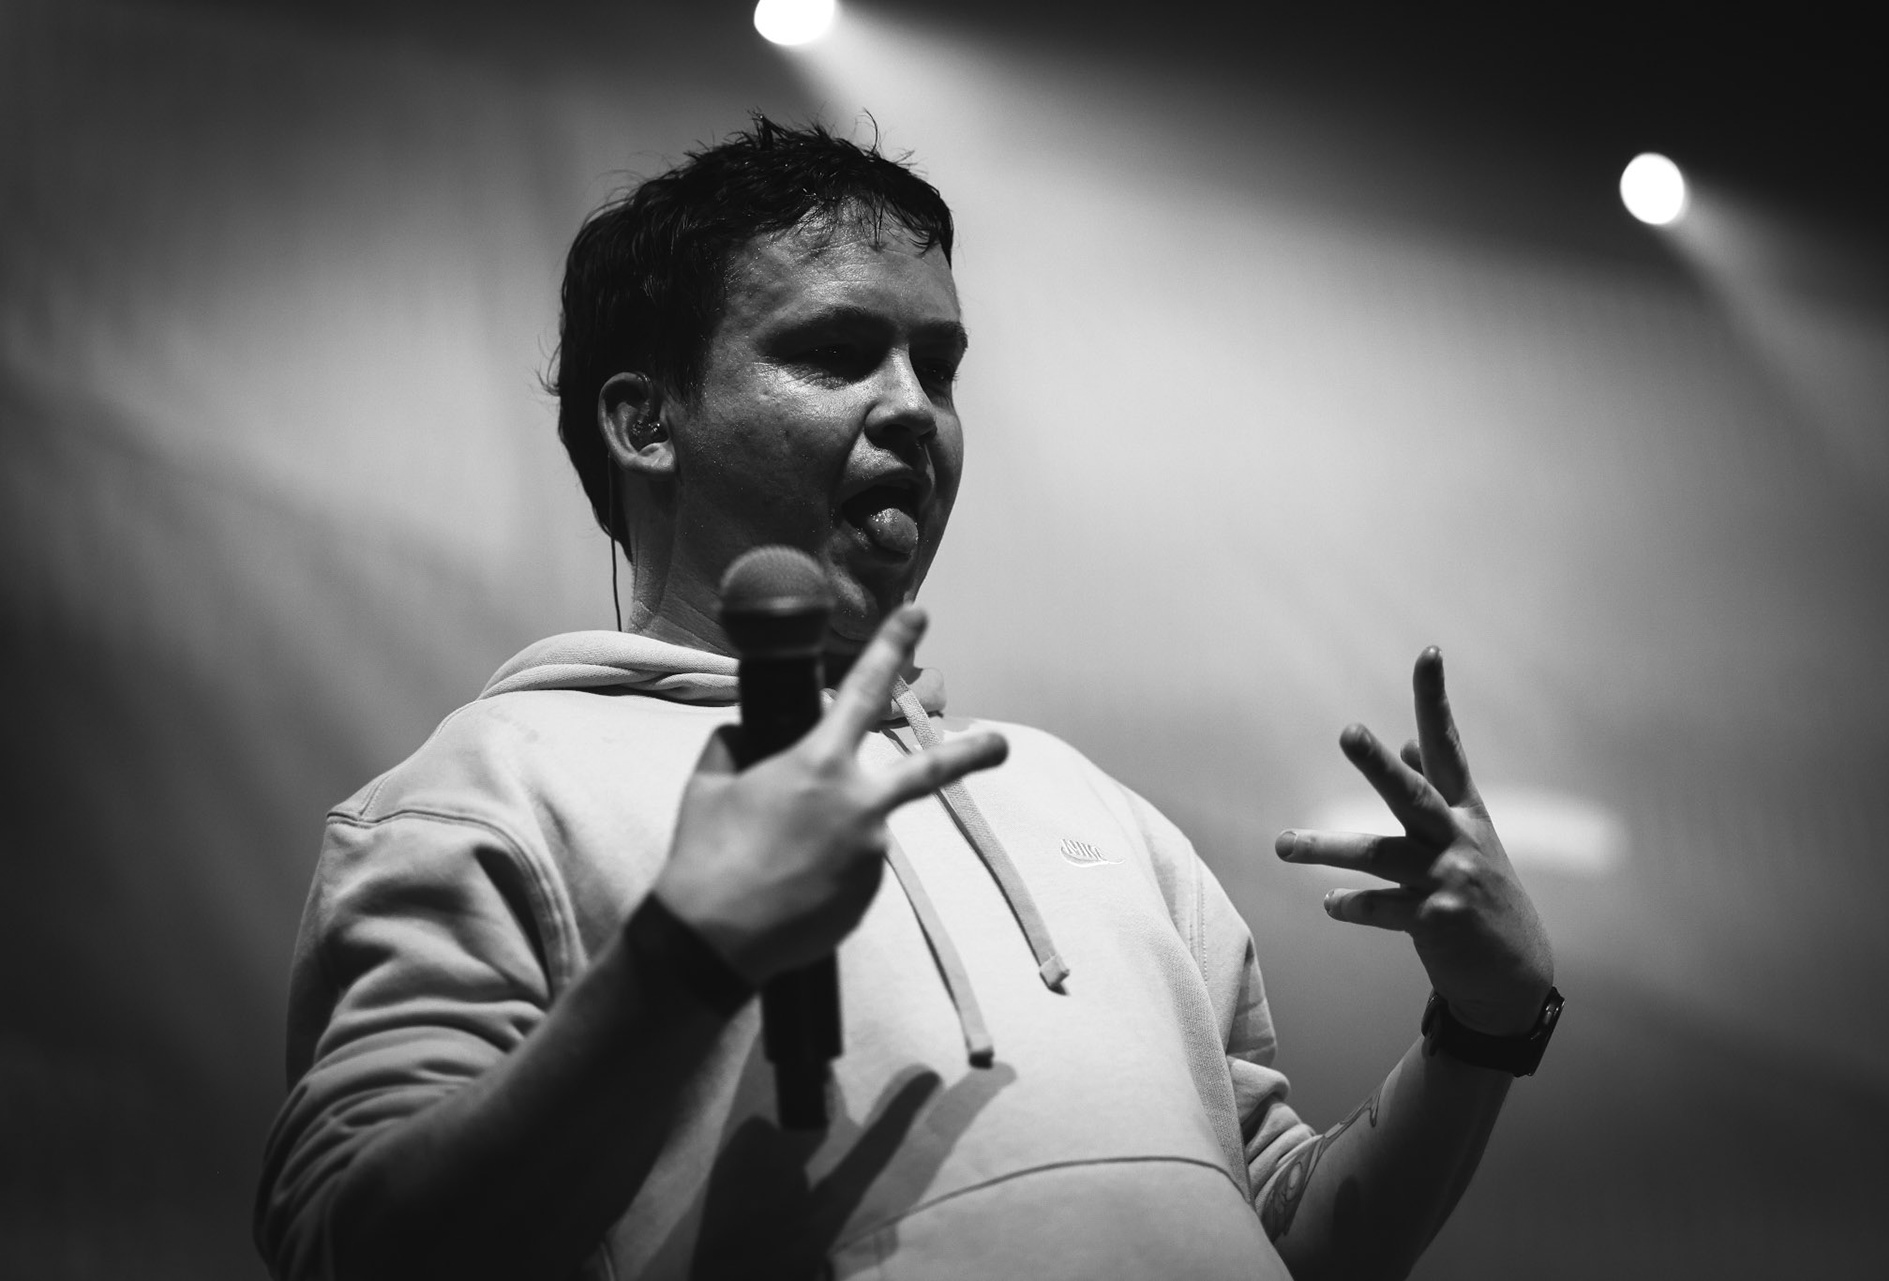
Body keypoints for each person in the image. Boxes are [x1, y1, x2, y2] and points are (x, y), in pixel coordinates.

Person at [255, 117, 1557, 1281]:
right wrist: (681, 960)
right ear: (646, 423)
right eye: (836, 354)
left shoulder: (1086, 804)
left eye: (938, 366)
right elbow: (352, 1252)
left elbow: (1291, 1234)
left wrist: (1484, 1030)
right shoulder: (484, 794)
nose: (914, 409)